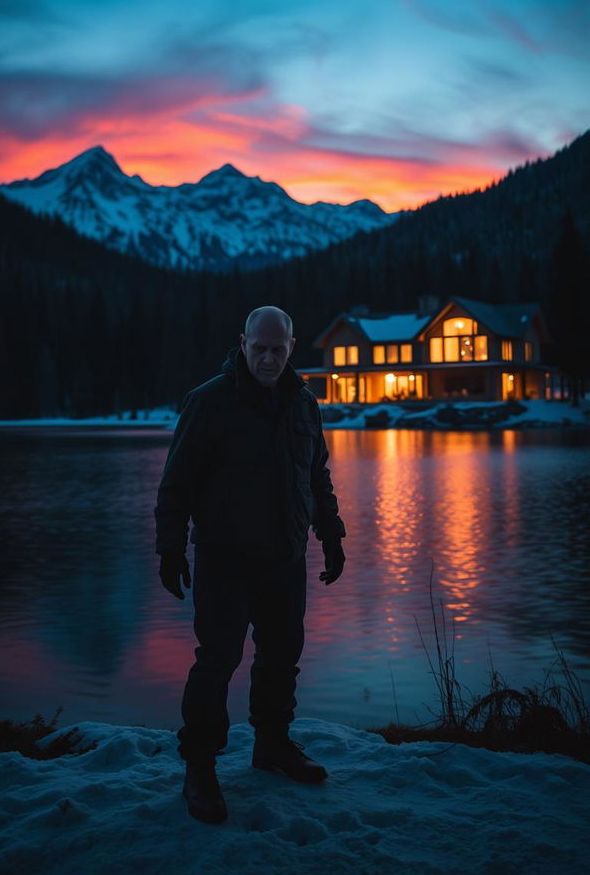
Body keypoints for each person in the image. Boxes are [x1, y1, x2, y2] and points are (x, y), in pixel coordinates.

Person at [155, 305, 346, 824]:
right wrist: (169, 546)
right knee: (217, 662)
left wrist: (330, 535)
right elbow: (177, 482)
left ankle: (273, 746)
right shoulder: (209, 402)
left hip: (285, 557)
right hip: (225, 560)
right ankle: (200, 768)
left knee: (282, 656)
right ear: (242, 343)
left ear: (291, 346)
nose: (267, 358)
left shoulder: (304, 403)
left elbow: (317, 477)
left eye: (277, 349)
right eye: (258, 348)